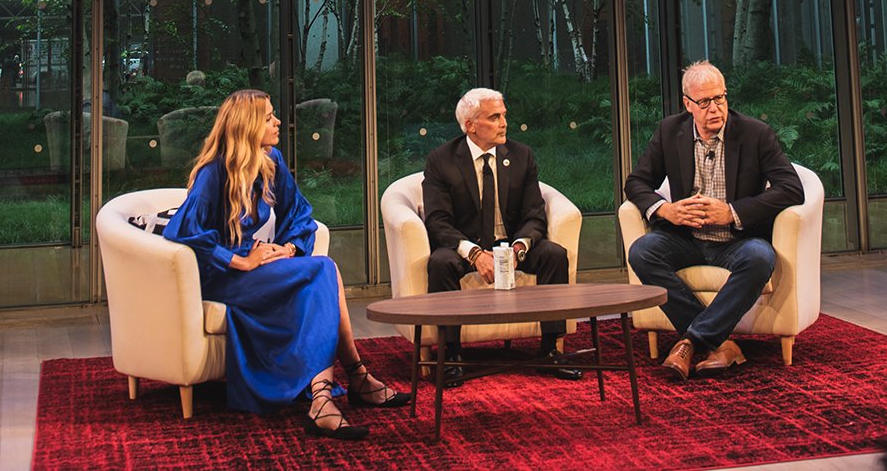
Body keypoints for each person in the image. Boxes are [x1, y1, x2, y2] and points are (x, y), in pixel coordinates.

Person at [162, 89, 410, 439]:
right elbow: (182, 231)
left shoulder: (271, 160)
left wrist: (290, 249)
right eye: (268, 117)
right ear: (247, 125)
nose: (278, 122)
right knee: (325, 270)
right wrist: (240, 261)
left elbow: (301, 215)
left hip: (258, 268)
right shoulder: (214, 171)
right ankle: (352, 379)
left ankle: (329, 395)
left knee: (323, 272)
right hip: (221, 277)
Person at [623, 60, 804, 380]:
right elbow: (636, 182)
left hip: (736, 241)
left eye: (720, 98)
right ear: (688, 104)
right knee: (642, 251)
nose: (715, 108)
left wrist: (732, 212)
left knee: (761, 257)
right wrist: (665, 210)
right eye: (704, 102)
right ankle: (721, 344)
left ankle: (692, 342)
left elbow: (791, 189)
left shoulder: (755, 133)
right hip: (686, 239)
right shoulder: (670, 131)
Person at [420, 86, 583, 383]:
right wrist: (474, 253)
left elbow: (534, 214)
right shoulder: (441, 160)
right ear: (470, 125)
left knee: (554, 255)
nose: (504, 123)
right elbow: (438, 221)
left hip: (510, 244)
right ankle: (452, 354)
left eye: (504, 115)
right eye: (494, 117)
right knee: (441, 263)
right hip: (466, 246)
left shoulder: (522, 156)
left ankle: (549, 351)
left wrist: (519, 248)